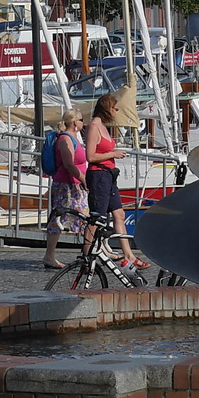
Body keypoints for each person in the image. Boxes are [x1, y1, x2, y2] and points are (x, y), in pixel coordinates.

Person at [84, 93, 145, 269]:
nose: (115, 111)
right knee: (97, 219)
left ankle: (129, 255)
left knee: (119, 214)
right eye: (113, 108)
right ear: (106, 109)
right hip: (98, 175)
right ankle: (86, 255)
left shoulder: (104, 127)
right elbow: (90, 156)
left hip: (109, 175)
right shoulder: (94, 127)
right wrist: (113, 154)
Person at [43, 110, 87, 270]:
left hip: (72, 184)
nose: (83, 123)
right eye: (81, 120)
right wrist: (83, 179)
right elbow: (69, 164)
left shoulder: (73, 138)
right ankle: (49, 256)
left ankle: (94, 251)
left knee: (82, 219)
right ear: (75, 122)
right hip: (67, 185)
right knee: (63, 218)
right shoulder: (65, 139)